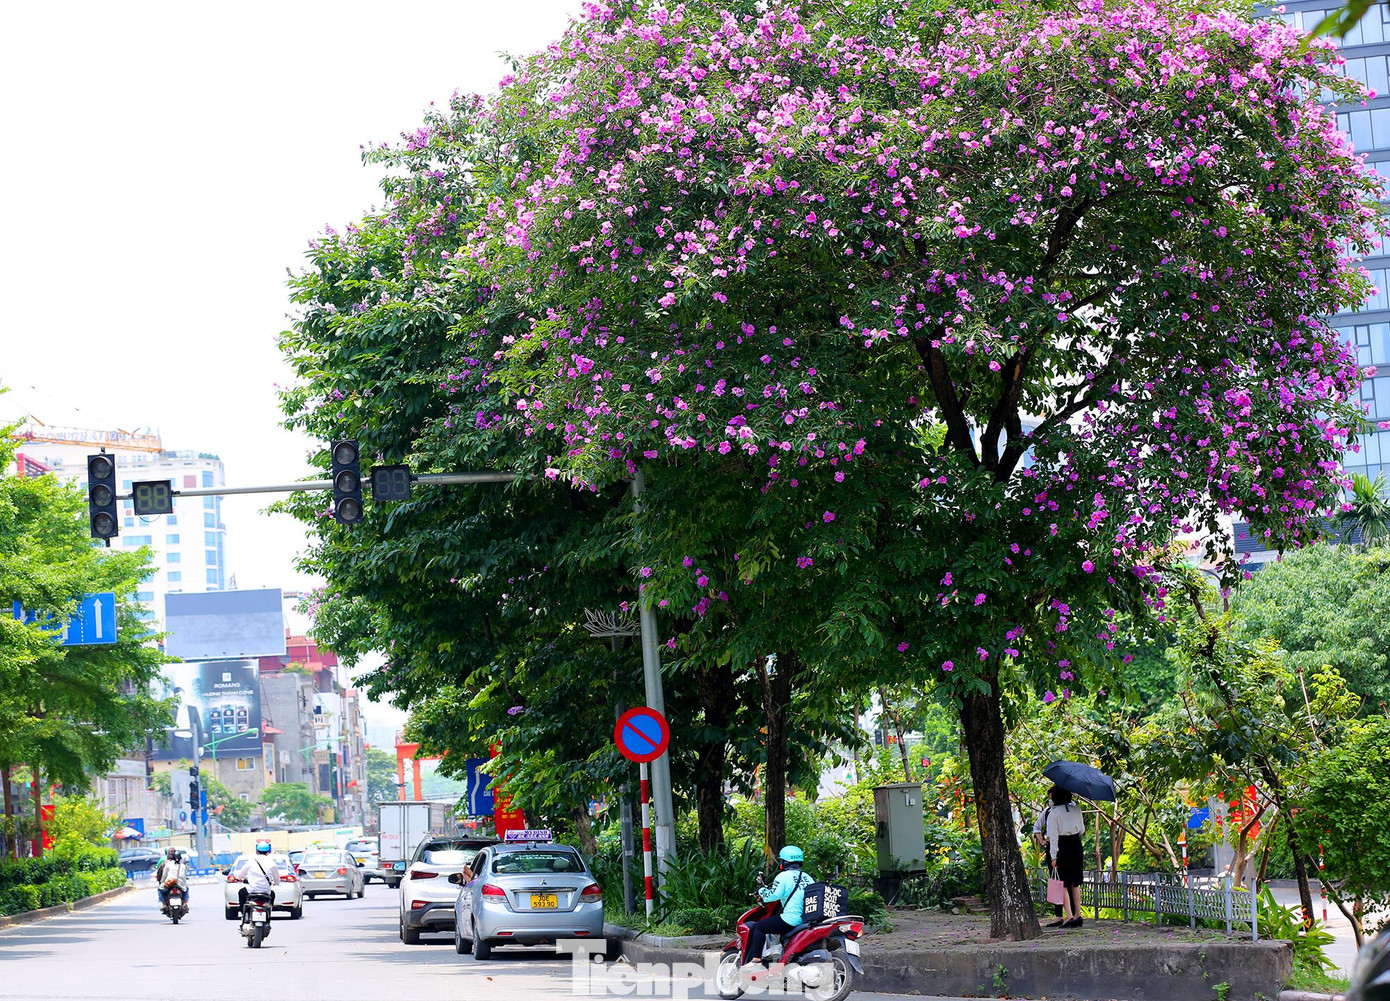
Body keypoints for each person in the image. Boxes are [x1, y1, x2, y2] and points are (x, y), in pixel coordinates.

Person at [744, 846, 814, 967]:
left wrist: (761, 891)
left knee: (760, 927)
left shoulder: (783, 876)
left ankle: (756, 960)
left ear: (783, 862)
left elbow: (773, 895)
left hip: (791, 919)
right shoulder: (808, 877)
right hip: (807, 918)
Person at [1046, 787, 1086, 928]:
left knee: (1062, 884)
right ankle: (1078, 915)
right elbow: (1082, 830)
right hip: (1076, 844)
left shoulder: (1054, 813)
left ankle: (1069, 916)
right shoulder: (1077, 810)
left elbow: (1053, 837)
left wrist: (1053, 856)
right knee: (1075, 883)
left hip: (1063, 846)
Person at [1032, 791, 1065, 926]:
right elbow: (1036, 827)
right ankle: (1058, 915)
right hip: (1052, 845)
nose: (1051, 800)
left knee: (1069, 881)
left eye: (1053, 797)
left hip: (1065, 845)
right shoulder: (1048, 811)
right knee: (1056, 880)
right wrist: (1042, 840)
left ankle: (1073, 914)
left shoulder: (1070, 809)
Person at [239, 840, 280, 926]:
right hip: (265, 892)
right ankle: (268, 914)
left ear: (256, 851)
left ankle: (243, 914)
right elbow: (277, 879)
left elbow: (241, 875)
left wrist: (239, 878)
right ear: (268, 852)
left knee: (241, 892)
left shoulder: (251, 862)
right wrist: (276, 883)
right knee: (272, 894)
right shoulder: (272, 863)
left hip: (251, 891)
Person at [155, 847, 189, 912]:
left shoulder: (166, 864)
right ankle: (185, 903)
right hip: (180, 884)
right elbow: (185, 875)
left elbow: (163, 875)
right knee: (186, 889)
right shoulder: (183, 866)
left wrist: (162, 881)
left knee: (159, 890)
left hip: (169, 883)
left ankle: (164, 904)